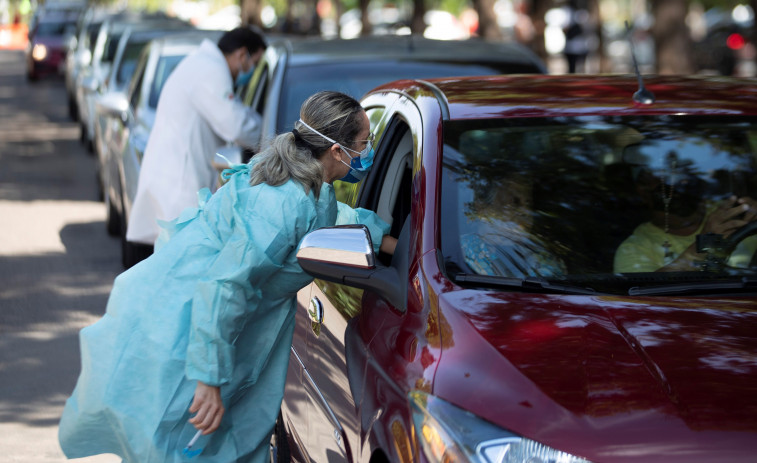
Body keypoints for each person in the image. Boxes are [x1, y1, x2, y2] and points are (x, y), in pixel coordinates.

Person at [58, 91, 397, 462]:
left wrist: (394, 243)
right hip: (194, 333)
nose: (367, 151)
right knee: (181, 442)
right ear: (336, 151)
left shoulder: (312, 191)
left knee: (225, 443)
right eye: (364, 143)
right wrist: (208, 378)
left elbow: (333, 221)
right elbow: (224, 287)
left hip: (229, 335)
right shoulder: (281, 204)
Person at [125, 27, 266, 265]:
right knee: (180, 265)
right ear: (242, 54)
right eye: (255, 62)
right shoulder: (210, 71)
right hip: (178, 184)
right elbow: (235, 125)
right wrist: (273, 134)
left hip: (173, 176)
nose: (251, 71)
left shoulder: (202, 64)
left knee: (173, 263)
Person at [614, 155, 757, 273]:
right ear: (643, 192)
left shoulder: (729, 212)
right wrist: (705, 244)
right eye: (664, 181)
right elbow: (645, 297)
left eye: (683, 178)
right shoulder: (634, 249)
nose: (677, 185)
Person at [460, 174, 566, 278]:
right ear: (482, 207)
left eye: (528, 204)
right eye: (514, 202)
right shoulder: (461, 252)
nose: (525, 212)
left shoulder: (543, 256)